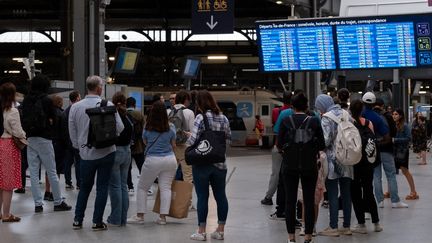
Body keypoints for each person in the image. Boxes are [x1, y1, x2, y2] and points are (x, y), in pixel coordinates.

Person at [69, 75, 124, 230]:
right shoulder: (108, 104)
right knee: (102, 187)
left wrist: (78, 147)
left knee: (84, 187)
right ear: (99, 88)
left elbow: (72, 131)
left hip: (86, 154)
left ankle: (78, 220)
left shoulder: (76, 107)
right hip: (107, 152)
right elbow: (120, 127)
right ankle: (97, 222)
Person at [278, 92, 325, 243]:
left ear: (292, 106)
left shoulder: (285, 120)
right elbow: (322, 145)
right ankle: (308, 236)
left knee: (290, 201)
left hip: (289, 165)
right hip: (309, 165)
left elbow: (279, 144)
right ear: (306, 106)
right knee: (309, 200)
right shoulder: (314, 121)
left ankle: (291, 238)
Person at [21, 74, 72, 213]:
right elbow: (54, 120)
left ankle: (38, 204)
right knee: (52, 171)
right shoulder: (47, 100)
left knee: (33, 172)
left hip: (30, 139)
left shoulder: (26, 101)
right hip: (45, 139)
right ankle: (57, 201)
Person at [188, 90, 231, 241]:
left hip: (202, 164)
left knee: (202, 196)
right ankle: (220, 231)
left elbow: (192, 141)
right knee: (221, 196)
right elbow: (228, 139)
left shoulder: (200, 117)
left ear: (199, 103)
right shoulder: (224, 118)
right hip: (220, 163)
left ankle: (201, 231)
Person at [127, 101, 177, 225]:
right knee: (165, 188)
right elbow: (173, 145)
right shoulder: (171, 127)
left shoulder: (147, 127)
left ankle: (140, 216)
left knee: (143, 187)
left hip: (153, 160)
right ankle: (162, 218)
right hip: (170, 159)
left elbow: (145, 142)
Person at [315, 94, 353, 237]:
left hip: (332, 160)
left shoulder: (327, 117)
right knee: (346, 193)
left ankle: (333, 227)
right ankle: (347, 226)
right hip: (347, 158)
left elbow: (325, 141)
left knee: (332, 193)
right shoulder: (346, 113)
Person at [361, 92, 408, 208]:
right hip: (386, 149)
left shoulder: (362, 115)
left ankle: (380, 201)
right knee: (391, 175)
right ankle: (395, 201)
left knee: (376, 176)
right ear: (381, 105)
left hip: (371, 150)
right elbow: (391, 134)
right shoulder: (385, 116)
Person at [349, 99, 383, 234]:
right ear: (362, 110)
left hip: (355, 162)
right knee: (369, 191)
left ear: (350, 110)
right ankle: (376, 223)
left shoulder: (350, 124)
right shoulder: (369, 123)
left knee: (356, 192)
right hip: (368, 163)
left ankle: (361, 224)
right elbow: (372, 142)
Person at [261, 91, 292, 211]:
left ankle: (268, 197)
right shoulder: (296, 112)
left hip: (279, 146)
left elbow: (276, 128)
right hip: (293, 148)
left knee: (276, 172)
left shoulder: (277, 111)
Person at [0, 82, 27, 223]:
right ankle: (6, 214)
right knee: (8, 183)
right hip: (9, 145)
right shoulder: (12, 110)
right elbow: (17, 130)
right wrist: (24, 135)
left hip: (0, 143)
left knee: (0, 181)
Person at [108, 92, 132, 226]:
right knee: (123, 186)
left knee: (115, 186)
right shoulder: (128, 116)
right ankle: (123, 218)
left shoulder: (113, 115)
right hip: (127, 152)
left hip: (116, 151)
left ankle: (115, 218)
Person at [393, 109, 418, 200]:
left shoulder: (405, 126)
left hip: (403, 151)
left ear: (400, 116)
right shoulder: (394, 125)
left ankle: (413, 192)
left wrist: (395, 140)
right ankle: (389, 191)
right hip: (395, 151)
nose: (394, 116)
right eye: (393, 114)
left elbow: (409, 139)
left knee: (405, 171)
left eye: (396, 114)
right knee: (391, 171)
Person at [170, 90, 195, 184]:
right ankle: (185, 198)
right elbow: (192, 132)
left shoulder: (169, 111)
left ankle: (169, 196)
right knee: (187, 174)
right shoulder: (189, 112)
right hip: (185, 146)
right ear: (186, 100)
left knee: (170, 173)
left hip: (172, 145)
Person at [62, 90, 81, 190]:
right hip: (77, 141)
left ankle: (68, 182)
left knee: (68, 163)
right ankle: (79, 183)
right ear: (77, 98)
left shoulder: (65, 111)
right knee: (78, 162)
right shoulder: (78, 110)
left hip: (67, 141)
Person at [126, 97, 145, 194]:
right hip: (138, 146)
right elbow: (143, 130)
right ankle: (146, 187)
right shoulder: (139, 114)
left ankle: (130, 187)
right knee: (141, 166)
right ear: (134, 104)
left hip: (127, 146)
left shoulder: (123, 114)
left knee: (128, 168)